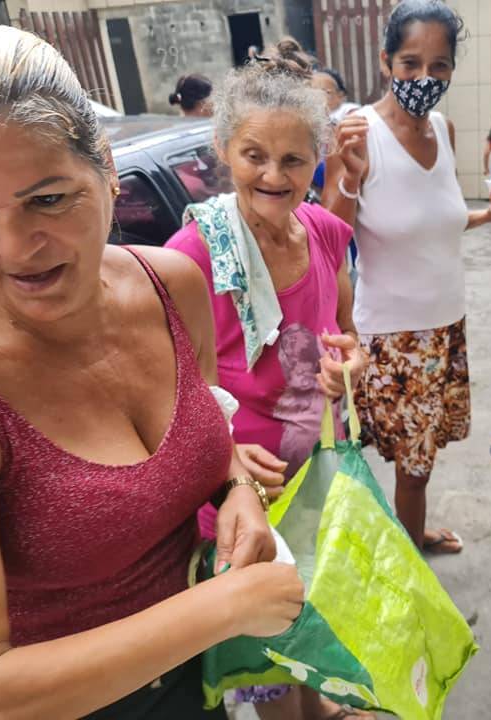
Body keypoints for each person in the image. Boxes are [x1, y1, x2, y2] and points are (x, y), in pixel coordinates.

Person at [0, 26, 303, 719]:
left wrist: (238, 489)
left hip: (192, 688)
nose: (15, 247)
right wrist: (222, 609)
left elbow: (212, 436)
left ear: (107, 170)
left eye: (47, 199)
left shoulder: (173, 285)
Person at [165, 47, 369, 720]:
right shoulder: (193, 256)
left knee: (309, 611)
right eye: (254, 155)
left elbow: (344, 333)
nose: (274, 176)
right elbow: (163, 390)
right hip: (240, 497)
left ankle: (322, 706)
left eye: (293, 160)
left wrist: (349, 364)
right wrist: (222, 455)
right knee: (267, 653)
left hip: (313, 476)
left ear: (318, 158)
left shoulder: (325, 232)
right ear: (224, 149)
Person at [324, 0, 491, 557]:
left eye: (439, 66)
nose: (424, 77)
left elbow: (438, 220)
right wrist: (351, 177)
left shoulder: (444, 128)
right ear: (385, 60)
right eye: (410, 63)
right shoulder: (357, 134)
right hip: (394, 339)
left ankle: (408, 536)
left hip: (445, 329)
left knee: (419, 462)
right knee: (411, 470)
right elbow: (327, 241)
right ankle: (408, 562)